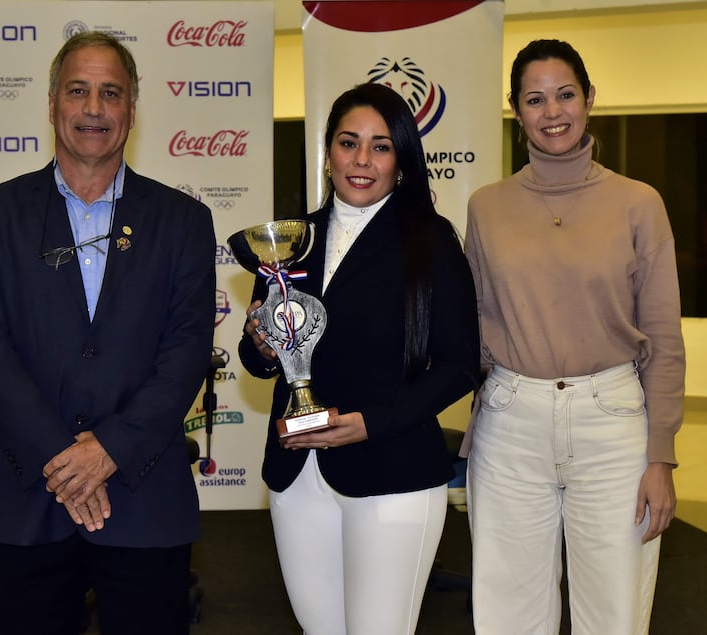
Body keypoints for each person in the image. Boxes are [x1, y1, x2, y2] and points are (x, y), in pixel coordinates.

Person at [0, 32, 215, 635]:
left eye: (110, 93)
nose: (94, 108)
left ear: (131, 108)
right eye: (78, 91)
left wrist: (109, 451)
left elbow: (185, 354)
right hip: (25, 498)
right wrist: (63, 459)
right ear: (52, 103)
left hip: (144, 494)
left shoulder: (183, 221)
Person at [238, 82, 479, 635]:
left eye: (380, 145)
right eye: (349, 143)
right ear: (328, 153)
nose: (362, 160)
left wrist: (371, 424)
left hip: (391, 471)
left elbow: (459, 364)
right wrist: (258, 344)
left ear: (402, 159)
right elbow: (264, 363)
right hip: (297, 475)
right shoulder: (289, 241)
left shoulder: (431, 241)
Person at [462, 39, 686, 634]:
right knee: (507, 611)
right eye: (534, 99)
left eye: (565, 94)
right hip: (511, 423)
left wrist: (660, 455)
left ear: (589, 99)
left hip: (612, 423)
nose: (552, 111)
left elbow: (663, 336)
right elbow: (474, 322)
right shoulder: (487, 206)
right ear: (515, 109)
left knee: (614, 612)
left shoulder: (640, 204)